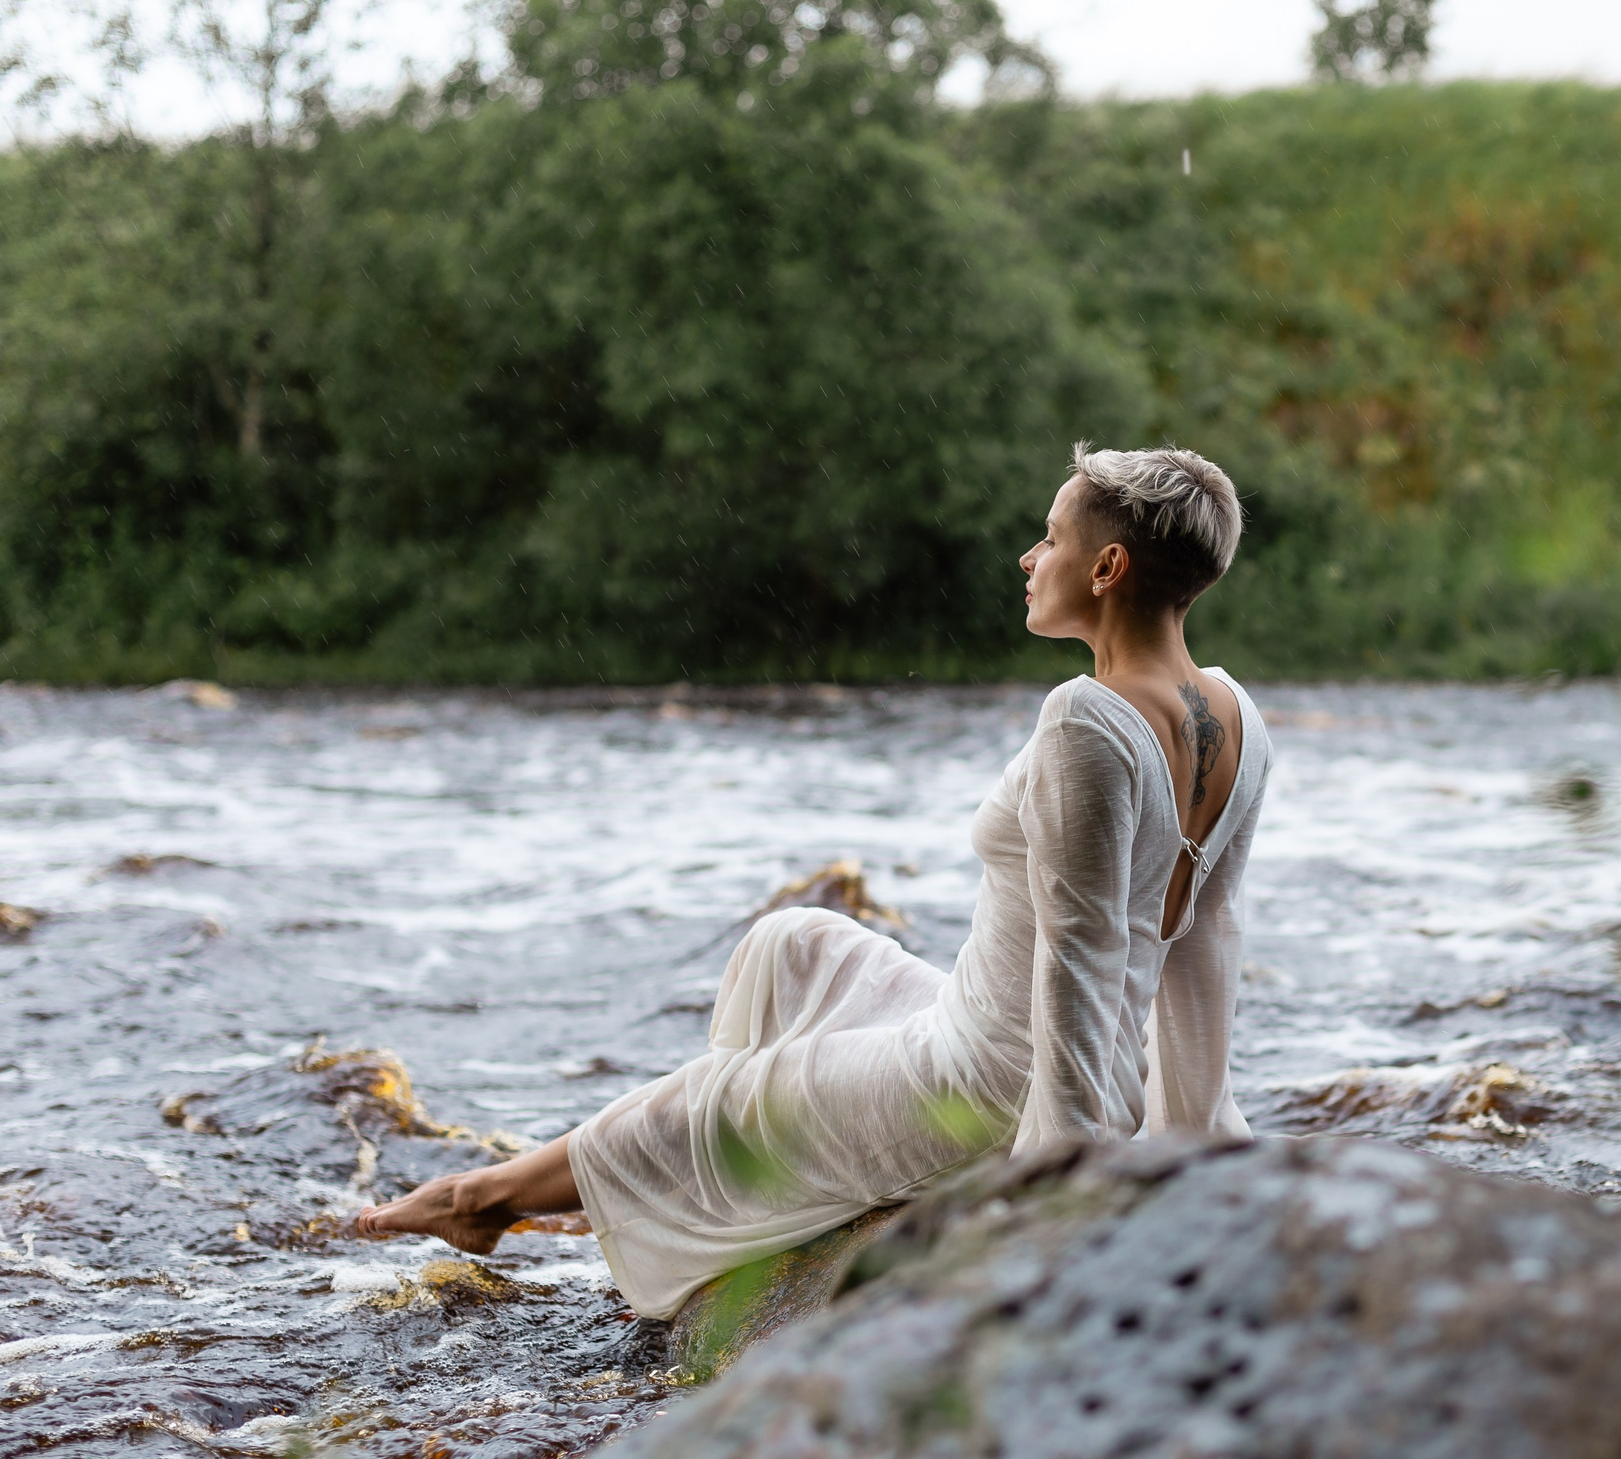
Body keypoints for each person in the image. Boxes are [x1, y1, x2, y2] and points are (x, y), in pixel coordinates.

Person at [357, 445, 1273, 1319]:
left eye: (1052, 538)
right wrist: (1198, 1136)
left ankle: (484, 1196)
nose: (1030, 557)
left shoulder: (1086, 721)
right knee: (793, 944)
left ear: (1107, 567)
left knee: (714, 1104)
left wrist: (1062, 1202)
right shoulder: (1236, 717)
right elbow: (1203, 949)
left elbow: (1084, 961)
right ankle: (762, 1192)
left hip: (990, 1087)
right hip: (990, 1024)